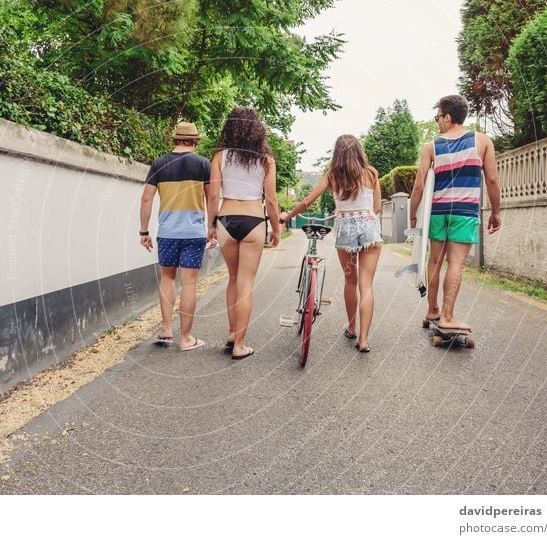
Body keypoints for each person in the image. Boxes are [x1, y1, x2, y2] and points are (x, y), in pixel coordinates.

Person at [281, 135, 382, 352]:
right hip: (370, 229)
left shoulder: (333, 176)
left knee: (350, 281)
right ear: (359, 151)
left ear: (337, 154)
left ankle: (352, 327)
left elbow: (308, 201)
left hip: (345, 230)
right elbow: (377, 207)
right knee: (366, 284)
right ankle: (363, 340)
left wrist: (288, 216)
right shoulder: (371, 173)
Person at [408, 94, 502, 332]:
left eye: (438, 116)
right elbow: (491, 179)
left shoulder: (431, 147)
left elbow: (419, 185)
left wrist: (413, 214)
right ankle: (447, 316)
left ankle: (432, 310)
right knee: (456, 264)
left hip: (437, 212)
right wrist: (496, 212)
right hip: (465, 212)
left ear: (448, 117)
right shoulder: (482, 142)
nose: (437, 120)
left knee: (434, 262)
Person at [207, 107, 281, 360]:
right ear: (256, 130)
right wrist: (277, 230)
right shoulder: (266, 160)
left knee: (233, 278)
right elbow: (271, 200)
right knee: (246, 283)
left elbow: (213, 194)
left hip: (226, 220)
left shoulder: (220, 156)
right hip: (253, 220)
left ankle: (231, 332)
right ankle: (240, 344)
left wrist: (210, 224)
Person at [140, 121, 211, 351]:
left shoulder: (159, 164)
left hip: (168, 233)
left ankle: (167, 330)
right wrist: (212, 227)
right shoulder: (203, 164)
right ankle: (186, 339)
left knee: (167, 279)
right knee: (189, 283)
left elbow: (146, 199)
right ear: (195, 141)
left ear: (175, 139)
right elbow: (212, 199)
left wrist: (144, 231)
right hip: (194, 233)